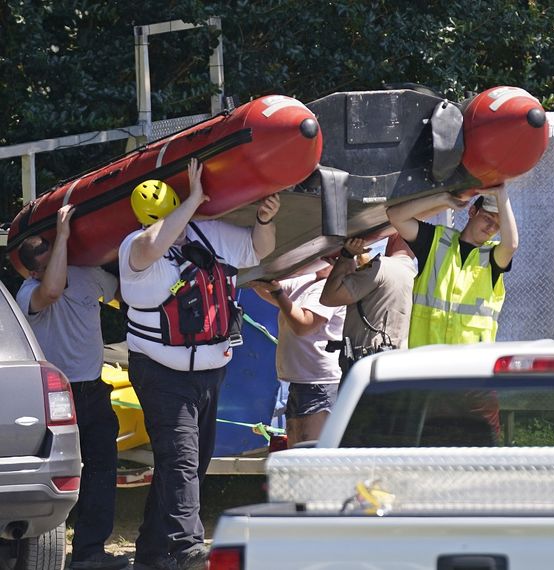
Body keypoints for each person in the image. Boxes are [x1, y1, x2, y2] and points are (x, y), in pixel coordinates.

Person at [118, 158, 279, 570]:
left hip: (209, 372)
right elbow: (154, 244)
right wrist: (190, 202)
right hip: (160, 372)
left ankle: (152, 552)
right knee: (181, 459)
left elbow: (259, 250)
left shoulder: (207, 235)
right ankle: (186, 547)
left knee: (191, 462)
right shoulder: (135, 248)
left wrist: (264, 220)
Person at [14, 205, 128, 570]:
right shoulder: (29, 290)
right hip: (54, 399)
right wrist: (63, 237)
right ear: (33, 269)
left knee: (101, 470)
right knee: (57, 475)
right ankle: (41, 548)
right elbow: (52, 291)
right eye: (43, 256)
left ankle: (90, 553)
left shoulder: (88, 274)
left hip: (93, 390)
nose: (52, 255)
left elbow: (121, 295)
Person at [385, 184, 518, 347]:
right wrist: (443, 199)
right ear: (472, 212)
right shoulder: (435, 240)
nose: (491, 227)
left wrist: (501, 193)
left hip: (469, 367)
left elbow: (511, 245)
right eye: (487, 218)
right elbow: (395, 216)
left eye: (497, 225)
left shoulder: (492, 257)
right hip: (425, 363)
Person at [253, 267, 345, 448]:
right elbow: (261, 286)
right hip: (301, 382)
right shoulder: (307, 280)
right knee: (297, 447)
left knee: (311, 453)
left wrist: (278, 292)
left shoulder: (330, 287)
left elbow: (303, 325)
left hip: (319, 382)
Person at [319, 234, 416, 375]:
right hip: (394, 367)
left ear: (395, 237)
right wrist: (346, 265)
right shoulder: (414, 274)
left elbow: (329, 297)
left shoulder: (382, 266)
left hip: (367, 370)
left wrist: (346, 256)